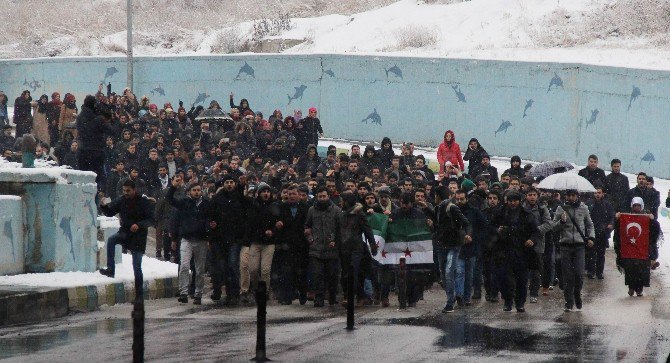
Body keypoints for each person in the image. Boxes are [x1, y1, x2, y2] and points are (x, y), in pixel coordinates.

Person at [98, 179, 154, 301]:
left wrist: (139, 225)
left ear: (134, 190)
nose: (126, 193)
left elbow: (151, 219)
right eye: (124, 190)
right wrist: (103, 205)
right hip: (125, 233)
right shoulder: (122, 200)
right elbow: (110, 212)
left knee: (136, 266)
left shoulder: (143, 202)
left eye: (128, 191)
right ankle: (111, 269)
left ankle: (139, 296)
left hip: (138, 237)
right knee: (112, 240)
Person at [491, 190, 540, 312]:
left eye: (515, 201)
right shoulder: (500, 213)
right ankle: (508, 301)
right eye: (510, 201)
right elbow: (490, 228)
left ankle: (520, 303)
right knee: (503, 278)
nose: (512, 203)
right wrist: (498, 230)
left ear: (519, 201)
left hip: (521, 251)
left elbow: (536, 232)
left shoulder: (526, 214)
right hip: (504, 251)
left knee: (521, 280)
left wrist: (531, 240)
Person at [166, 175, 212, 305]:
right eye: (194, 190)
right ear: (189, 192)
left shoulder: (207, 204)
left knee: (199, 269)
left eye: (198, 190)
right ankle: (184, 292)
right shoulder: (184, 202)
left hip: (202, 240)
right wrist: (173, 186)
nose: (197, 192)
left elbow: (212, 217)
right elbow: (169, 199)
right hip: (186, 239)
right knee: (184, 266)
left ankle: (198, 294)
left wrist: (210, 231)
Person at [427, 185, 471, 313]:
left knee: (448, 272)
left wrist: (467, 234)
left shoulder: (451, 207)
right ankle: (451, 298)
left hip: (453, 245)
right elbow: (438, 225)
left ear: (438, 196)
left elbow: (465, 222)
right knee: (443, 274)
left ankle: (450, 302)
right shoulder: (438, 208)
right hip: (442, 245)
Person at [209, 174, 249, 305]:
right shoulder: (217, 199)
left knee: (233, 264)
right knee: (221, 266)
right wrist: (212, 224)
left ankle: (235, 291)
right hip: (220, 239)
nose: (229, 184)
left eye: (232, 182)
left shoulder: (239, 198)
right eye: (227, 182)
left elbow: (245, 215)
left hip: (234, 239)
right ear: (223, 184)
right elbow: (211, 216)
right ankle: (222, 290)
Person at [553, 189, 595, 312]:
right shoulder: (561, 208)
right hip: (565, 245)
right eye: (569, 196)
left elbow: (589, 225)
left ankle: (577, 293)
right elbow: (553, 227)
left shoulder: (584, 208)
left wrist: (591, 237)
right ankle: (568, 301)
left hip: (579, 245)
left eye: (573, 195)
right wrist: (561, 221)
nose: (571, 198)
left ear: (577, 196)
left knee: (579, 274)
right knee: (567, 275)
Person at [613, 197, 660, 297]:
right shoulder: (626, 217)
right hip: (630, 248)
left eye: (638, 206)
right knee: (630, 268)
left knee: (641, 269)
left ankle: (639, 289)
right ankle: (631, 287)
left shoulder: (646, 216)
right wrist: (617, 219)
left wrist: (653, 221)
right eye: (635, 205)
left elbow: (655, 232)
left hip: (642, 249)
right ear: (632, 206)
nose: (636, 207)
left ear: (641, 206)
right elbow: (619, 230)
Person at [304, 186, 341, 307]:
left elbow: (340, 228)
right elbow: (307, 227)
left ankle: (332, 296)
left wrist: (336, 240)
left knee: (332, 275)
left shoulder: (336, 210)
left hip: (332, 248)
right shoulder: (311, 210)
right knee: (317, 275)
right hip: (316, 249)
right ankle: (319, 297)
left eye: (324, 196)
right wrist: (311, 240)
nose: (322, 198)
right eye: (320, 196)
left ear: (328, 196)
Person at [275, 184, 310, 305]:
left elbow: (309, 223)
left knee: (301, 271)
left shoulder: (305, 207)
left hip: (302, 245)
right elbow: (277, 221)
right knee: (287, 272)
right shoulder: (282, 207)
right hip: (287, 244)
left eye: (294, 194)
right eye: (289, 194)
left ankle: (302, 293)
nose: (291, 196)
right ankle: (287, 296)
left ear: (299, 195)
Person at [454, 189, 488, 306]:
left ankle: (466, 297)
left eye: (461, 199)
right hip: (457, 247)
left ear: (466, 199)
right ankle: (459, 294)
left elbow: (484, 227)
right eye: (457, 199)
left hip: (471, 248)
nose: (459, 201)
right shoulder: (452, 211)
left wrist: (473, 237)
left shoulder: (474, 212)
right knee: (459, 272)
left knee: (468, 274)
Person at [522, 188, 556, 302]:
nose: (532, 197)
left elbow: (548, 224)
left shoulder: (542, 209)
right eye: (529, 195)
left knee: (536, 270)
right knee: (522, 269)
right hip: (523, 242)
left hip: (538, 243)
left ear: (537, 196)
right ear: (526, 196)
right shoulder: (521, 208)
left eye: (534, 195)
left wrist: (536, 230)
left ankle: (534, 293)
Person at [77, 95, 114, 197]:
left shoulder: (80, 117)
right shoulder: (99, 119)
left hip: (82, 152)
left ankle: (83, 202)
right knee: (96, 182)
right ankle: (93, 206)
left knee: (84, 181)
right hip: (96, 153)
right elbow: (112, 131)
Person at [247, 182, 279, 297]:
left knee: (265, 270)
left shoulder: (274, 206)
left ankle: (264, 291)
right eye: (263, 191)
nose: (266, 193)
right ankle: (256, 288)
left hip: (269, 243)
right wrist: (262, 232)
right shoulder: (253, 206)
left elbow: (278, 223)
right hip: (255, 242)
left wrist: (273, 230)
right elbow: (251, 224)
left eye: (268, 191)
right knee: (253, 269)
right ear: (259, 193)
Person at [587, 185, 615, 280]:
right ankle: (591, 271)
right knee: (591, 253)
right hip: (592, 232)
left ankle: (599, 272)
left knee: (601, 254)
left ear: (603, 194)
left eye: (599, 193)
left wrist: (610, 225)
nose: (597, 195)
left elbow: (612, 217)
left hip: (602, 233)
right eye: (595, 193)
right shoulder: (589, 204)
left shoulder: (607, 205)